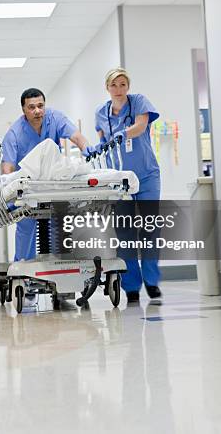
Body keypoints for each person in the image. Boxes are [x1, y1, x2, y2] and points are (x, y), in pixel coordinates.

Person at [95, 67, 162, 304]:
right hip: (119, 180)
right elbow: (103, 141)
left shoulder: (139, 102)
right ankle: (131, 286)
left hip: (146, 176)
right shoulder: (101, 113)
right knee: (124, 233)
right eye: (114, 85)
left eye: (123, 84)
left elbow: (141, 126)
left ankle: (152, 282)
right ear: (107, 88)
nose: (119, 89)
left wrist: (124, 133)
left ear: (128, 86)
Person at [1, 88, 90, 261]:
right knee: (27, 227)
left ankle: (60, 269)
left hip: (52, 185)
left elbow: (77, 137)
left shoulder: (55, 118)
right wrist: (10, 191)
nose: (37, 111)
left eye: (40, 106)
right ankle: (23, 271)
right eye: (31, 107)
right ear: (24, 110)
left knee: (59, 226)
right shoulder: (14, 133)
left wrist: (88, 151)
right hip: (29, 190)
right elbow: (8, 168)